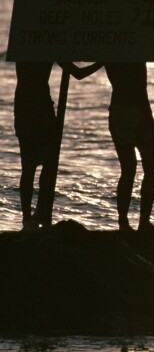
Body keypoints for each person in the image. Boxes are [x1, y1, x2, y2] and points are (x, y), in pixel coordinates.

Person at [14, 59, 99, 230]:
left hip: (24, 108)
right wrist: (104, 62)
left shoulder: (26, 45)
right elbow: (79, 74)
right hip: (40, 111)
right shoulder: (45, 46)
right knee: (45, 165)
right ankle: (37, 215)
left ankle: (30, 218)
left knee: (30, 167)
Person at [101, 62, 154, 234]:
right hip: (136, 110)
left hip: (124, 111)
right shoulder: (133, 45)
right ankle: (137, 222)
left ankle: (129, 222)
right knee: (145, 168)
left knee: (131, 169)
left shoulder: (112, 48)